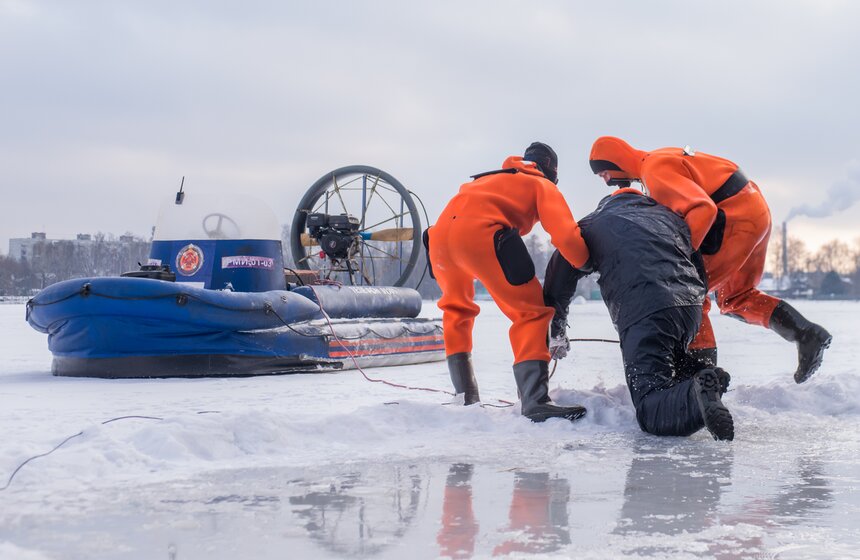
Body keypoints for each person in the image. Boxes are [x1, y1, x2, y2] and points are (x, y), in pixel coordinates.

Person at [588, 136, 831, 384]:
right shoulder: (661, 157)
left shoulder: (653, 170)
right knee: (737, 297)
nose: (606, 180)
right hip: (753, 210)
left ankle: (700, 377)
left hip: (733, 217)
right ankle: (806, 334)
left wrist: (681, 258)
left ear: (614, 160)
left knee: (688, 291)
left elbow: (703, 208)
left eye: (603, 173)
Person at [544, 187, 734, 440]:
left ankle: (698, 389)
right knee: (670, 362)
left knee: (649, 410)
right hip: (689, 308)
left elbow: (559, 281)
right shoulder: (669, 219)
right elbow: (697, 266)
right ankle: (698, 375)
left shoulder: (591, 224)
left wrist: (556, 331)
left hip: (645, 310)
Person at [426, 142, 590, 422]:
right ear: (551, 173)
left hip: (438, 240)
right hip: (480, 236)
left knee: (456, 311)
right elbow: (566, 237)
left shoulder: (487, 180)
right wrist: (586, 262)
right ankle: (535, 401)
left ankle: (465, 397)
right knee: (531, 313)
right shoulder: (541, 185)